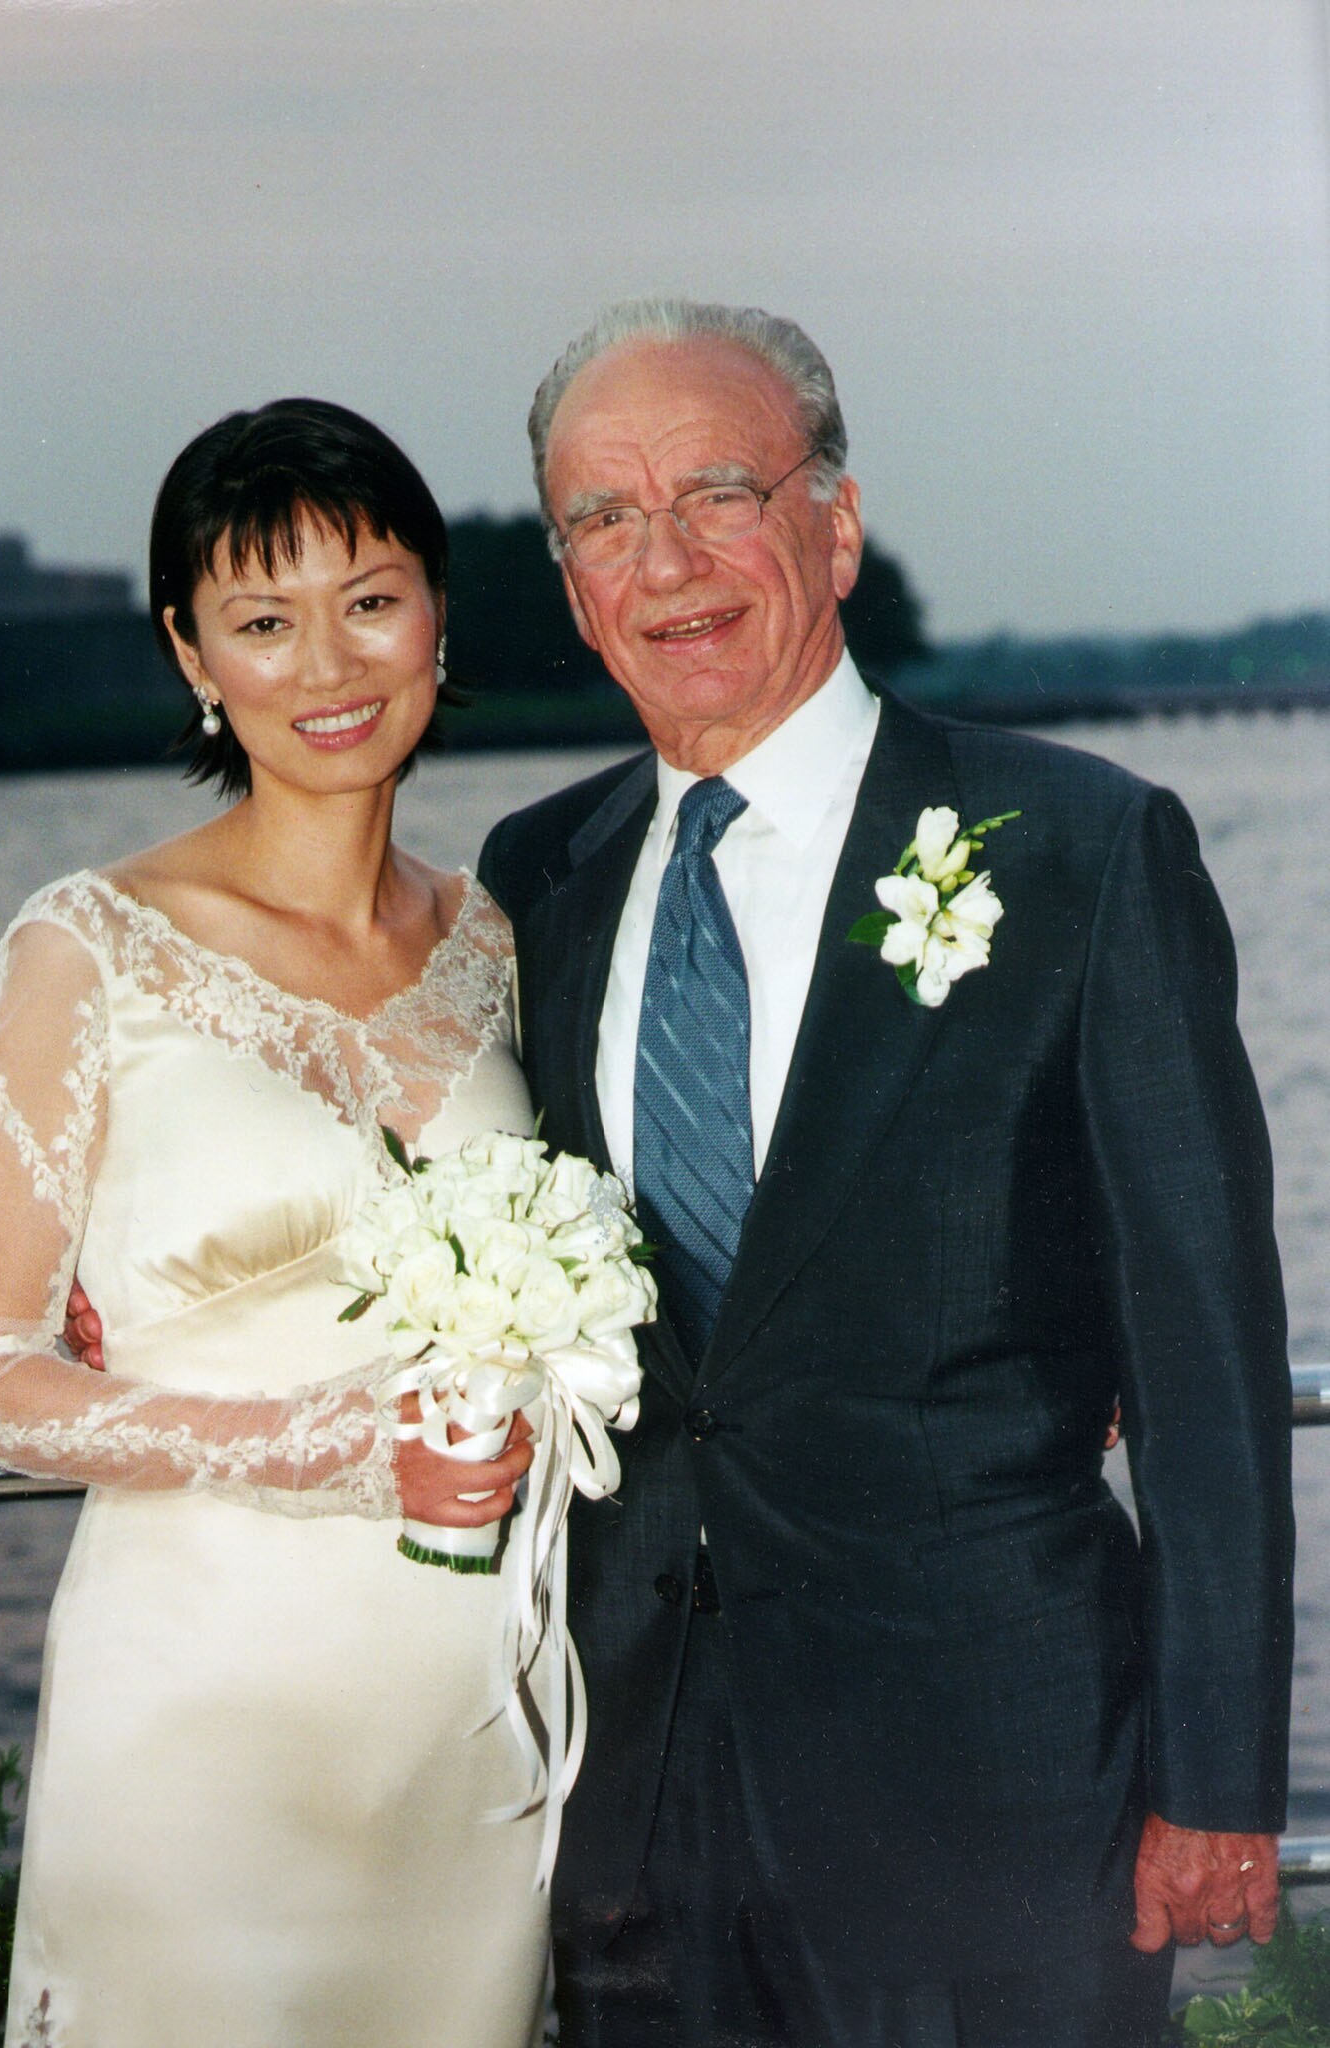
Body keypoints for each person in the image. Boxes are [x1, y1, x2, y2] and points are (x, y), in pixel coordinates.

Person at [475, 300, 1295, 2048]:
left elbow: (1202, 1368)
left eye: (714, 493)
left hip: (996, 1794)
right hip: (632, 1809)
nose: (666, 559)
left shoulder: (1078, 849)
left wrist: (1216, 1779)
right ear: (567, 586)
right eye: (604, 521)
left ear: (832, 528)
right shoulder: (535, 875)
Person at [0, 398, 549, 2048]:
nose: (328, 664)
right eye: (263, 620)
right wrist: (330, 1442)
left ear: (435, 619)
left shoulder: (494, 941)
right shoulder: (87, 949)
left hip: (475, 1720)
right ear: (193, 655)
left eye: (371, 597)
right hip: (204, 1719)